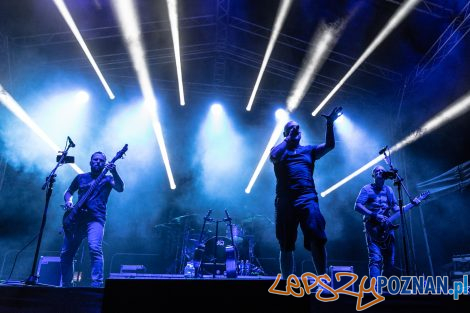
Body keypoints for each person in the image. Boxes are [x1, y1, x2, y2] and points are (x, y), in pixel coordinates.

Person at [270, 107, 342, 278]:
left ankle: (323, 279)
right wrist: (288, 139)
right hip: (285, 199)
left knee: (317, 237)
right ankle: (287, 283)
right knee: (286, 243)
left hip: (307, 197)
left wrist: (330, 124)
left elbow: (330, 145)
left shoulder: (309, 150)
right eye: (292, 128)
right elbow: (273, 157)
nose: (296, 130)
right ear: (285, 133)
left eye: (298, 128)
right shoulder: (280, 150)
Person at [60, 151, 124, 287]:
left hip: (96, 219)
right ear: (90, 162)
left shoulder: (107, 179)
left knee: (94, 248)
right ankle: (66, 285)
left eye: (101, 160)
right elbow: (68, 192)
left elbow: (120, 188)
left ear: (105, 163)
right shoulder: (81, 178)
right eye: (95, 160)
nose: (98, 162)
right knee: (66, 253)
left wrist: (115, 172)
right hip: (77, 219)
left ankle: (97, 284)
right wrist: (69, 201)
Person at [354, 165, 399, 281]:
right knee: (375, 258)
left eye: (382, 171)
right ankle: (376, 289)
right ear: (373, 175)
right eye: (377, 171)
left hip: (387, 227)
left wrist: (411, 204)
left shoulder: (389, 189)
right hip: (373, 227)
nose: (380, 171)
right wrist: (374, 215)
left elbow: (395, 207)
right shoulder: (366, 189)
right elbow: (357, 206)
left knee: (390, 260)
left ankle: (383, 287)